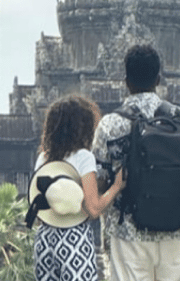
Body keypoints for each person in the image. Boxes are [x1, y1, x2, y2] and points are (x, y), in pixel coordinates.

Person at [92, 44, 180, 281]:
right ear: (158, 78)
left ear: (126, 81)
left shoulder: (110, 125)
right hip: (179, 231)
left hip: (129, 235)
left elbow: (98, 185)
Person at [29, 94, 126, 281]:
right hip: (73, 238)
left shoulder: (44, 158)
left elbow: (39, 207)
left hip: (44, 238)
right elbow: (93, 209)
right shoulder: (83, 157)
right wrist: (116, 186)